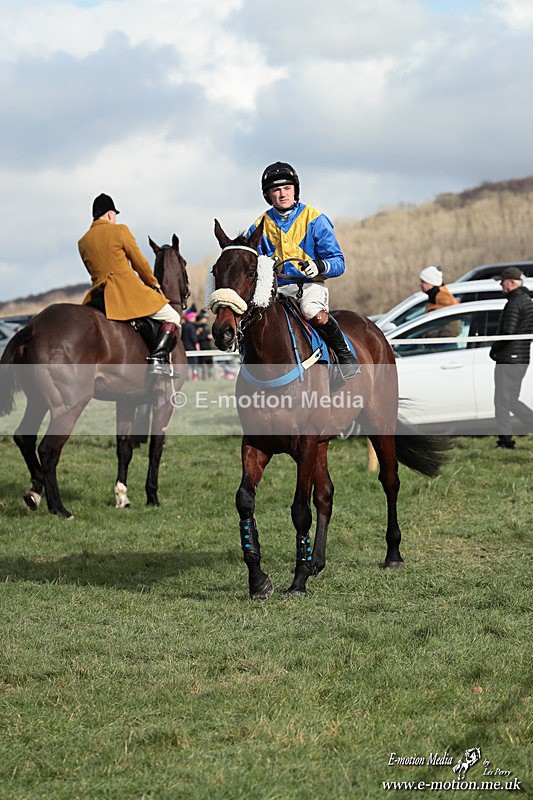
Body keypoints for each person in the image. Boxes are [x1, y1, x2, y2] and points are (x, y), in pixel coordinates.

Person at [246, 161, 359, 380]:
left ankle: (344, 354)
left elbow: (339, 262)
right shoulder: (259, 226)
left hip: (310, 286)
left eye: (287, 188)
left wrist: (319, 266)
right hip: (277, 291)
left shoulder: (315, 219)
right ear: (268, 194)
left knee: (310, 311)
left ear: (295, 190)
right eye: (276, 190)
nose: (283, 194)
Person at [78, 193, 181, 374]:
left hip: (98, 297)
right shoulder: (120, 230)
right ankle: (157, 359)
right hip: (126, 292)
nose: (115, 219)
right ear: (110, 214)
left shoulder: (83, 241)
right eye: (114, 215)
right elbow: (139, 263)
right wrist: (153, 283)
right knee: (173, 316)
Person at [489, 266, 533, 449]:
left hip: (509, 358)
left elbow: (508, 332)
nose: (501, 285)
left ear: (512, 283)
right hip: (521, 357)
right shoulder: (527, 300)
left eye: (503, 282)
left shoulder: (515, 303)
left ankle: (505, 442)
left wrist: (495, 350)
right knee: (511, 400)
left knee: (502, 402)